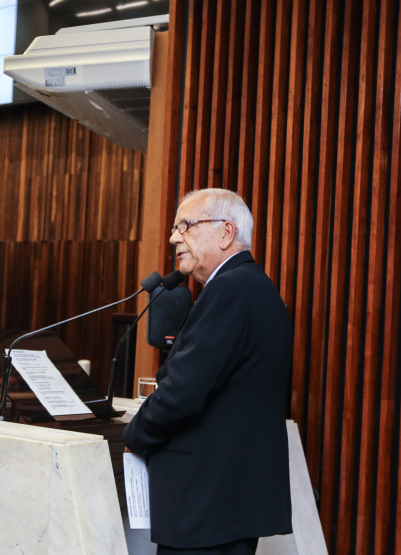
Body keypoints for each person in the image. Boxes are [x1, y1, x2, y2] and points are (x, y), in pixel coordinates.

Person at [122, 188, 292, 554]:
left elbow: (183, 391)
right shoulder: (253, 287)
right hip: (226, 502)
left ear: (226, 233)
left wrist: (133, 435)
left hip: (206, 504)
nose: (173, 238)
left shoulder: (230, 290)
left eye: (185, 226)